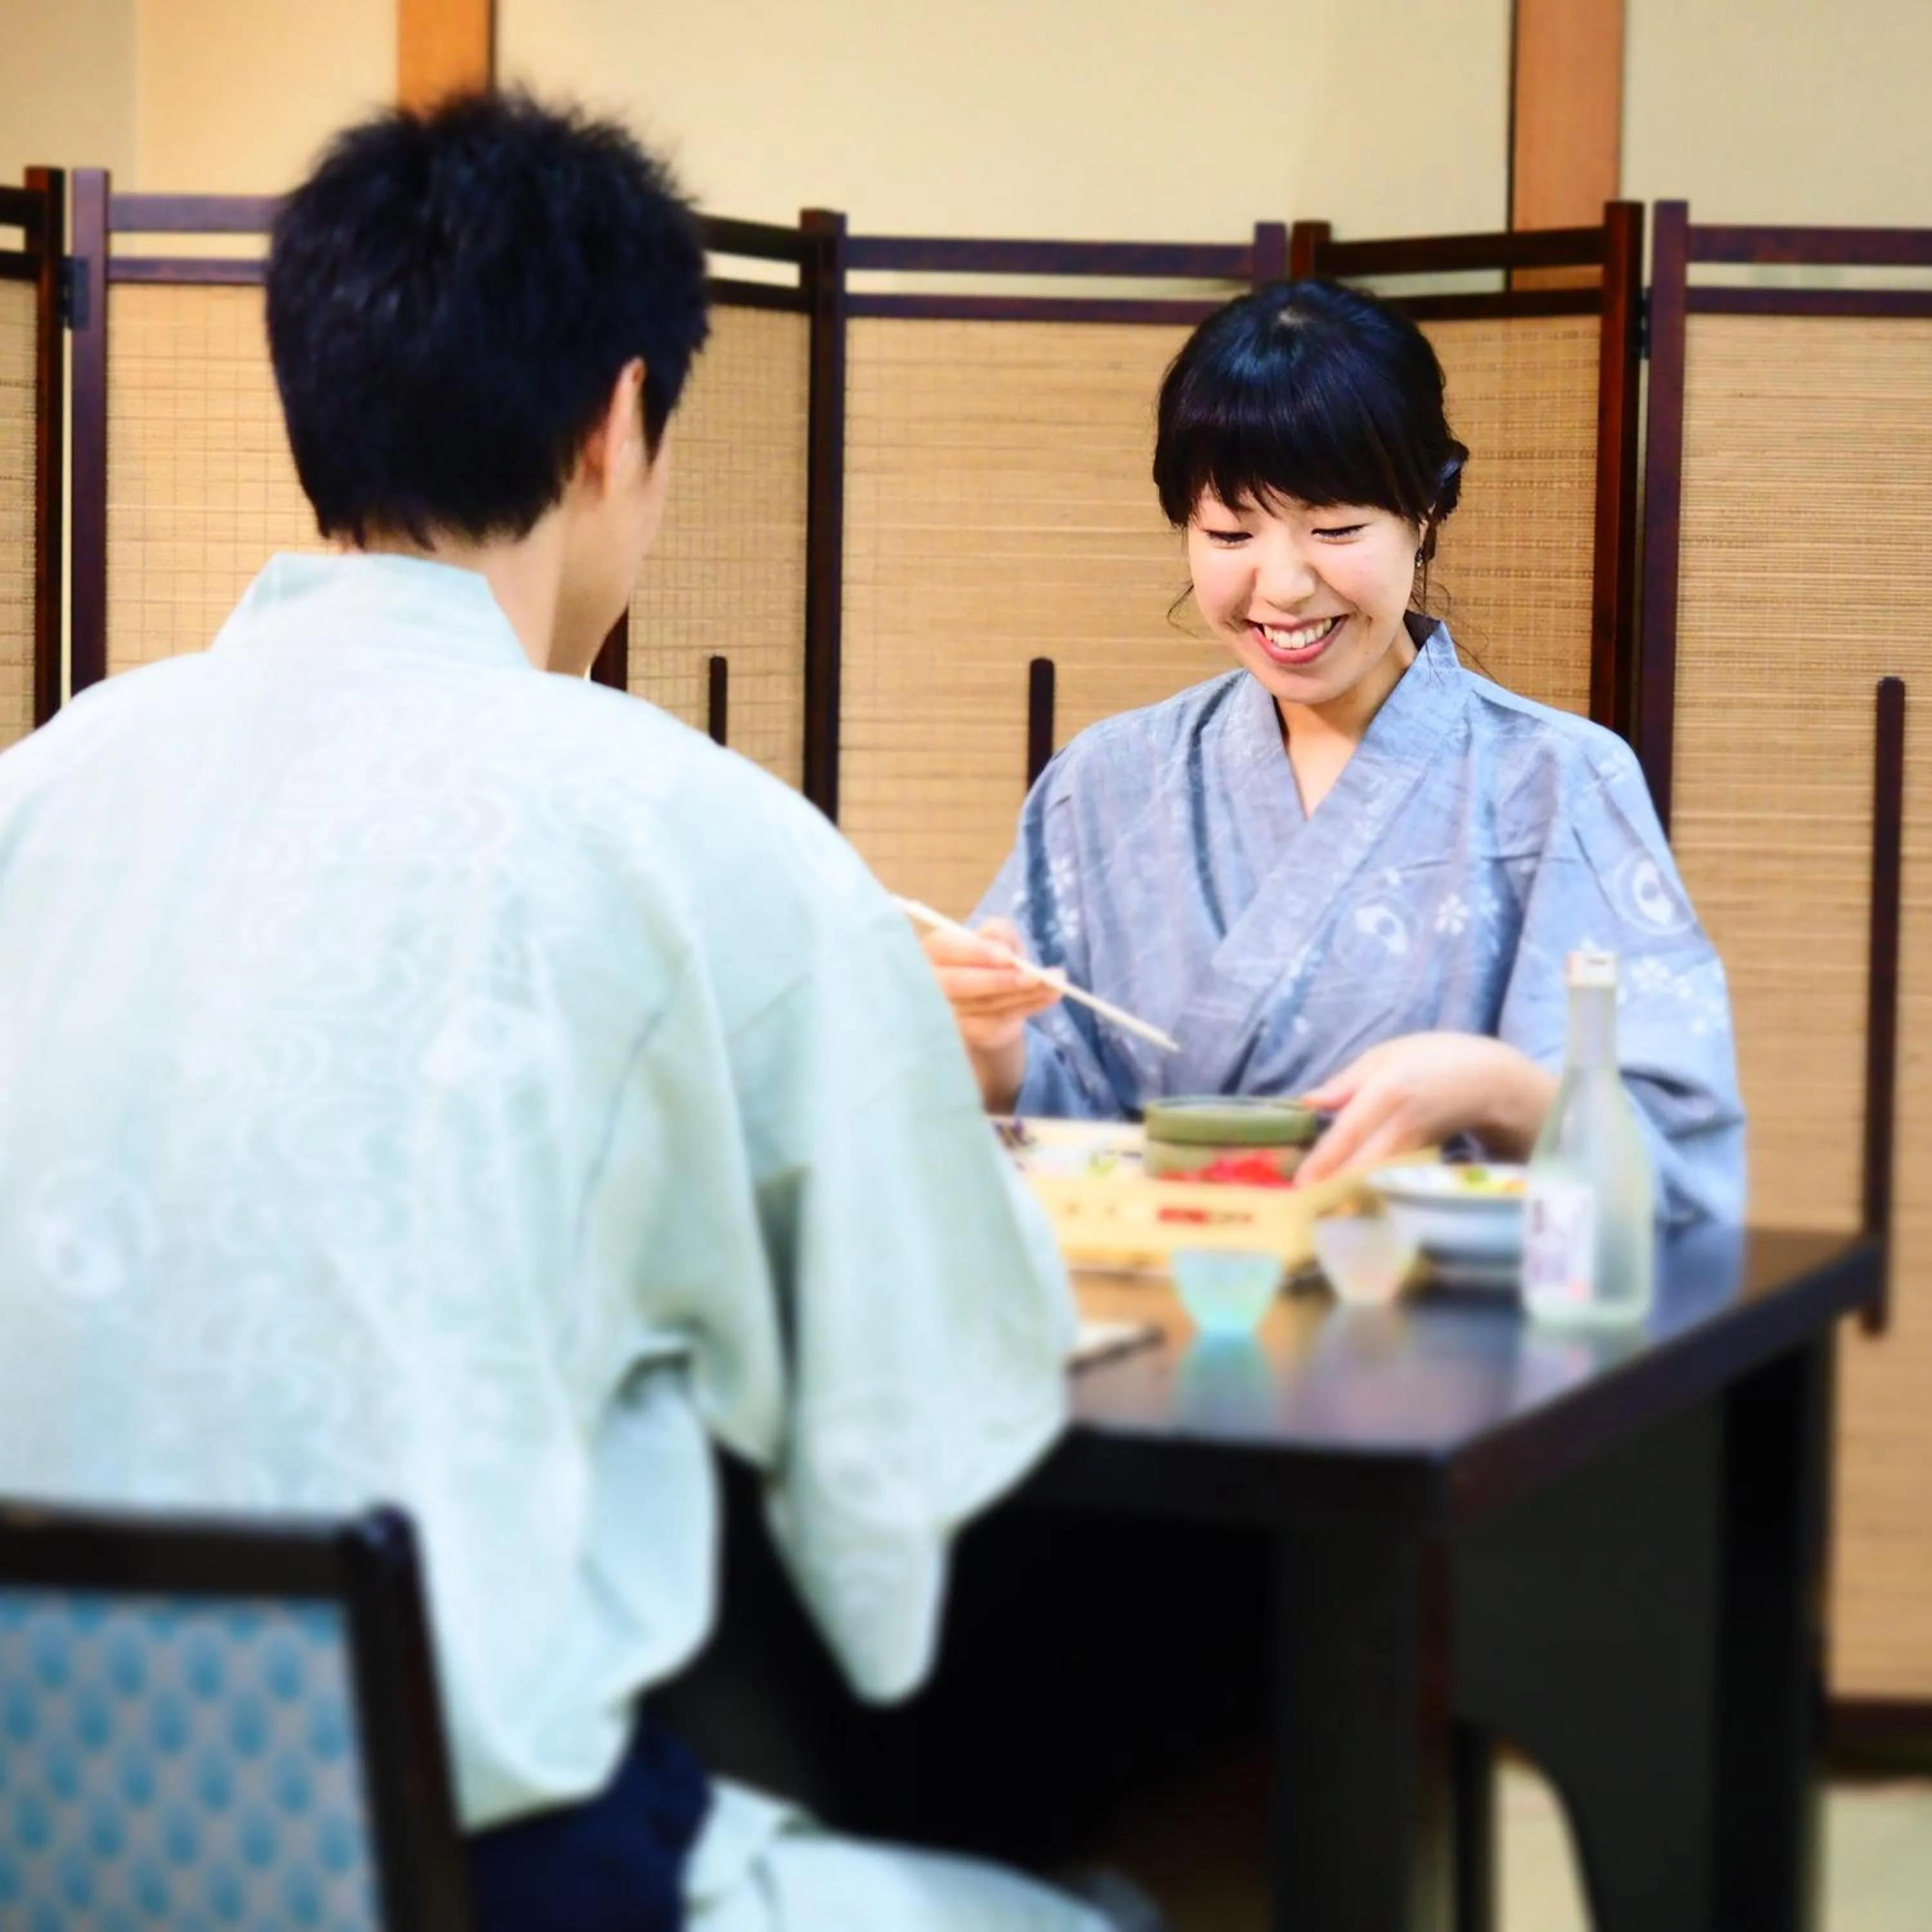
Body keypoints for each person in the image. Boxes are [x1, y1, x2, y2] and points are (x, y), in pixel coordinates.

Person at [0, 94, 1133, 1932]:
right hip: (468, 1872)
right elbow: (906, 1439)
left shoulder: (39, 792)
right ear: (620, 423)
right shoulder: (691, 833)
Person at [925, 279, 1744, 1222]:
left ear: (1425, 512)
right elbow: (1038, 1136)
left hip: (1453, 1345)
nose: (1284, 586)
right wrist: (989, 1045)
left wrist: (1496, 1089)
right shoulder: (1105, 782)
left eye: (1338, 528)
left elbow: (1678, 1177)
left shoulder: (1559, 782)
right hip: (1159, 1322)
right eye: (1230, 531)